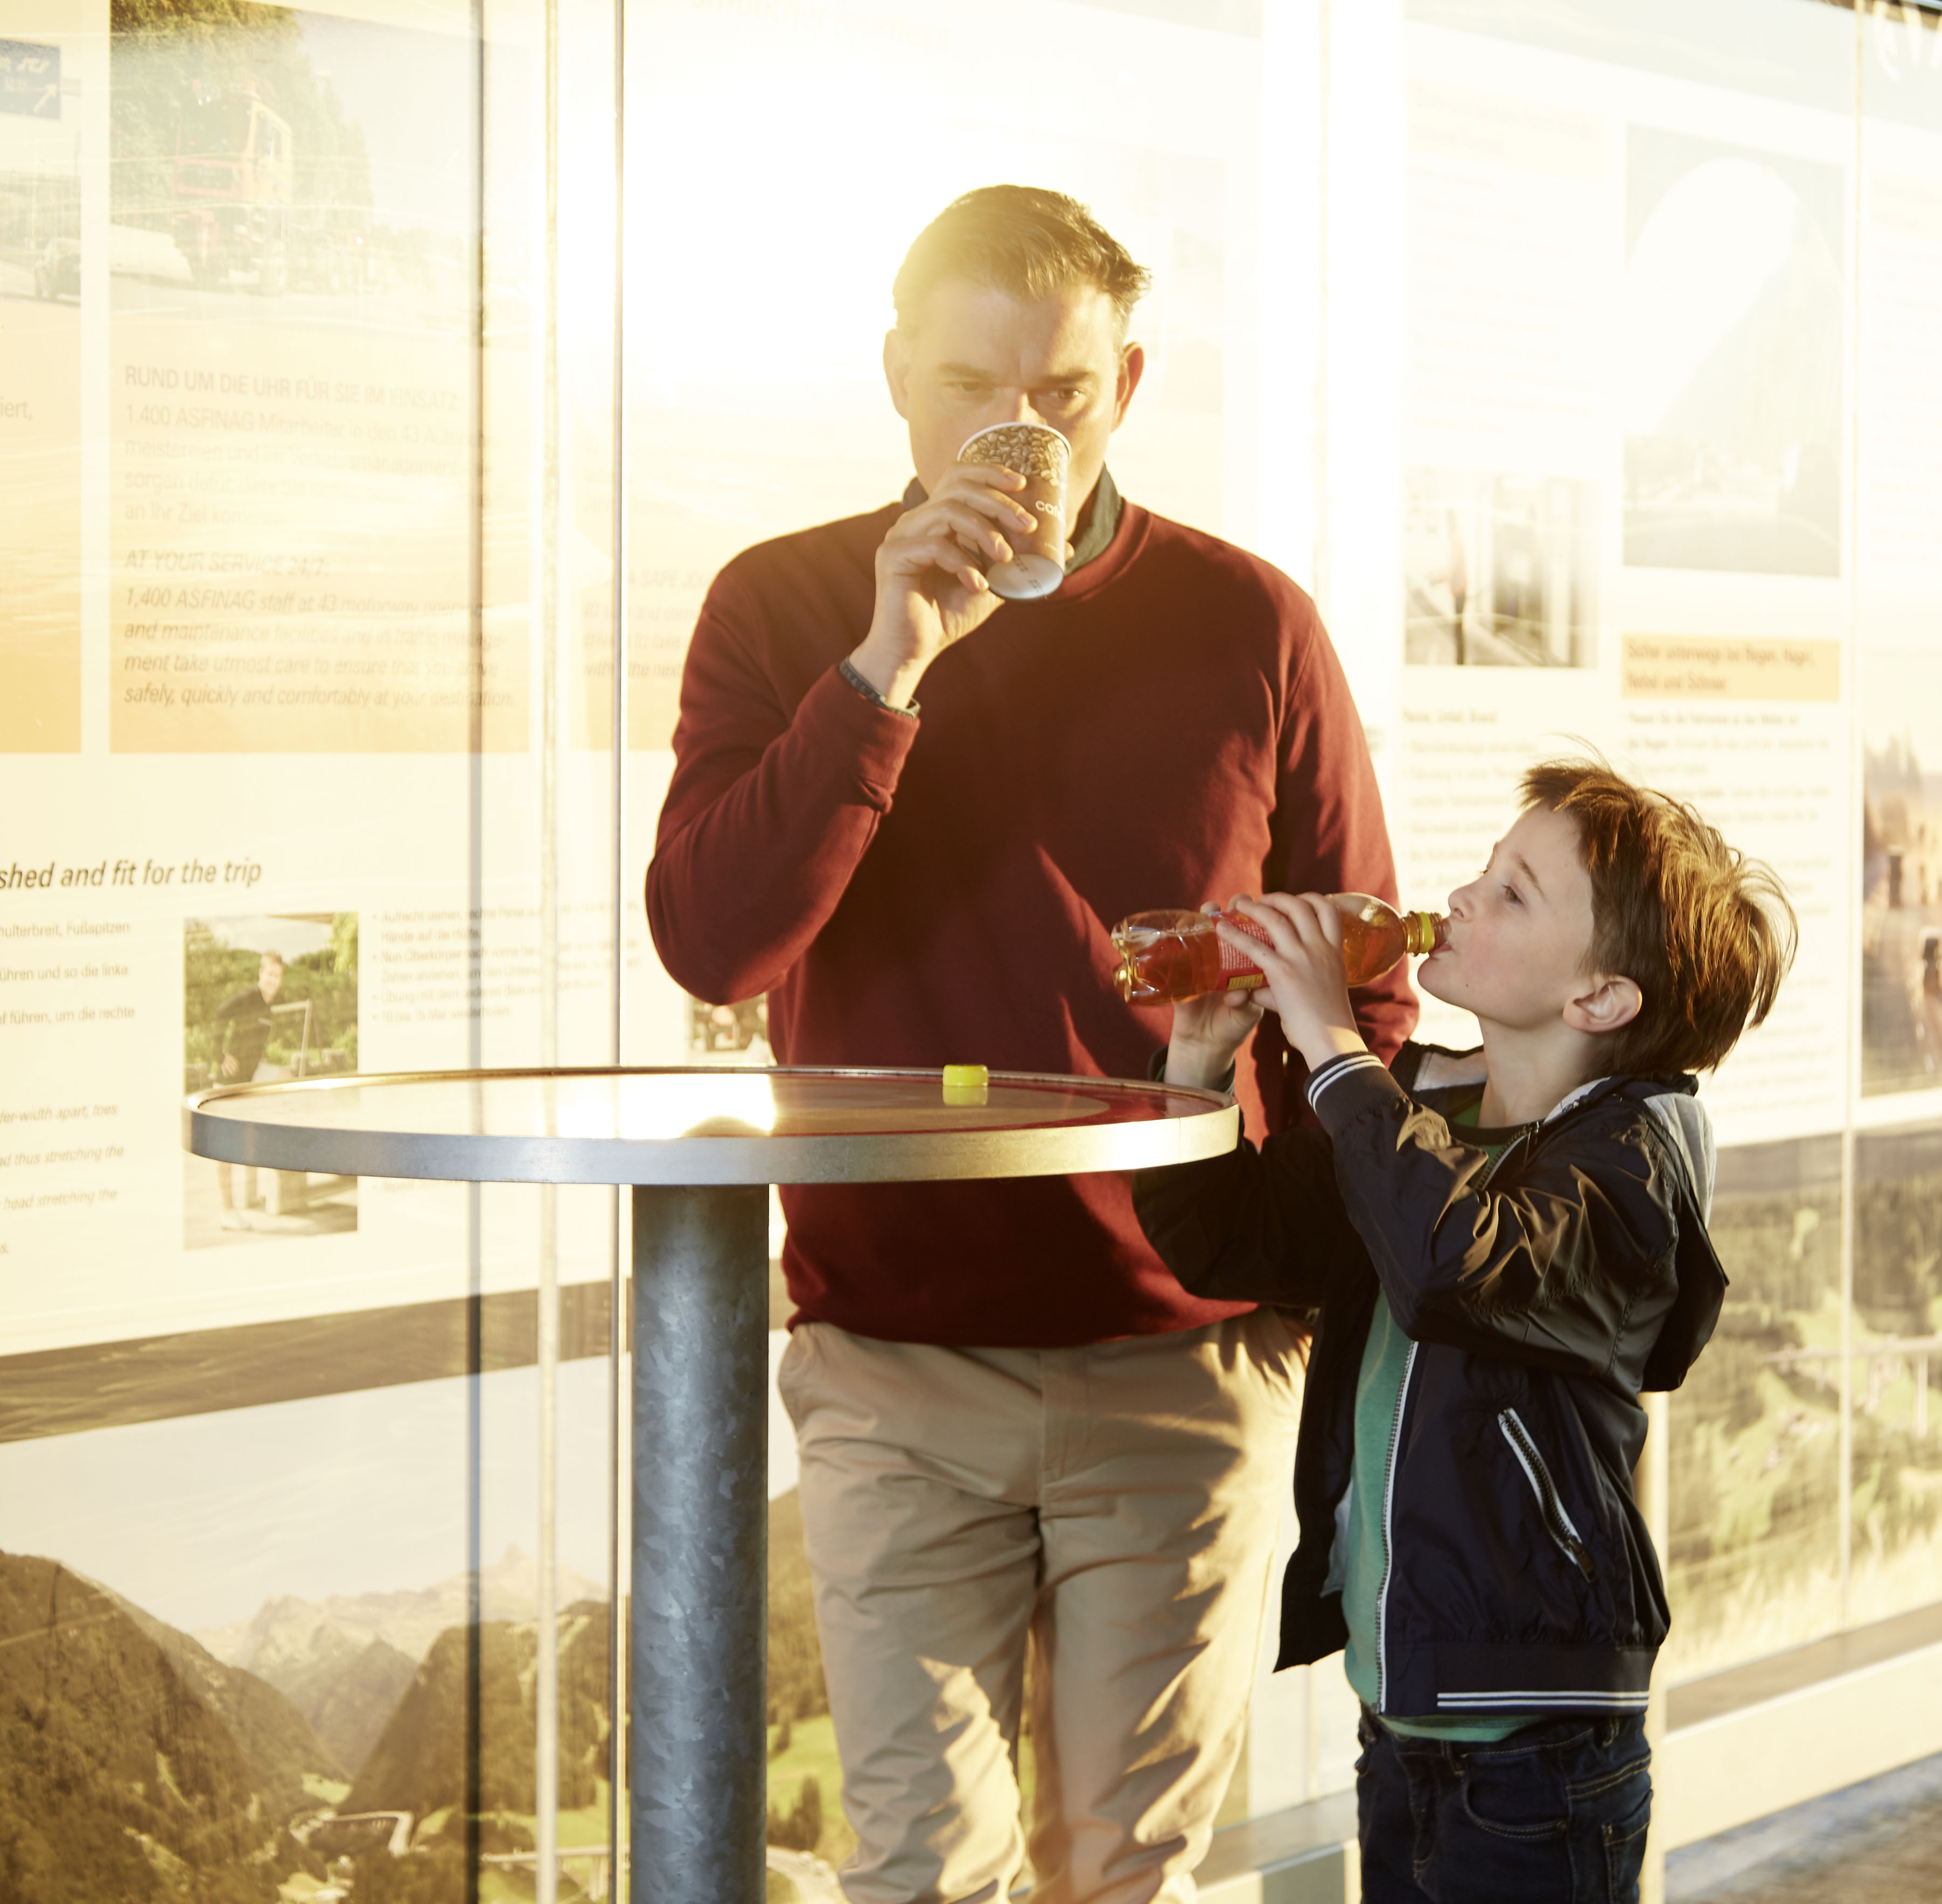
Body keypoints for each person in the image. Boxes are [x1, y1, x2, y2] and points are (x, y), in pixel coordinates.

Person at [644, 184, 1414, 1904]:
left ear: (1124, 387)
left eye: (1060, 391)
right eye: (970, 384)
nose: (1016, 427)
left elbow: (1364, 991)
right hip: (896, 1354)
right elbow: (713, 940)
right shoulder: (784, 608)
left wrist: (1294, 1295)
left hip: (1186, 1358)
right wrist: (886, 663)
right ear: (896, 378)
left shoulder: (1250, 622)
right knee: (929, 1866)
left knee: (1126, 1869)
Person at [1132, 760, 1793, 1903]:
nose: (1466, 896)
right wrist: (1198, 1061)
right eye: (1487, 869)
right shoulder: (1421, 1114)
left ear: (1597, 998)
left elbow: (1455, 1262)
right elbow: (1225, 1241)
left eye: (1516, 892)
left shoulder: (1633, 1166)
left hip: (1540, 1745)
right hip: (1403, 1714)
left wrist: (1334, 1048)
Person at [212, 950, 285, 1228]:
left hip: (249, 1080)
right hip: (229, 1083)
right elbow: (220, 1014)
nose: (272, 980)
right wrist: (220, 1055)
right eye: (269, 974)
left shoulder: (268, 1010)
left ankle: (267, 1185)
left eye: (277, 976)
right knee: (225, 1147)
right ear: (260, 974)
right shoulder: (248, 998)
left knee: (287, 1077)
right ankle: (227, 1210)